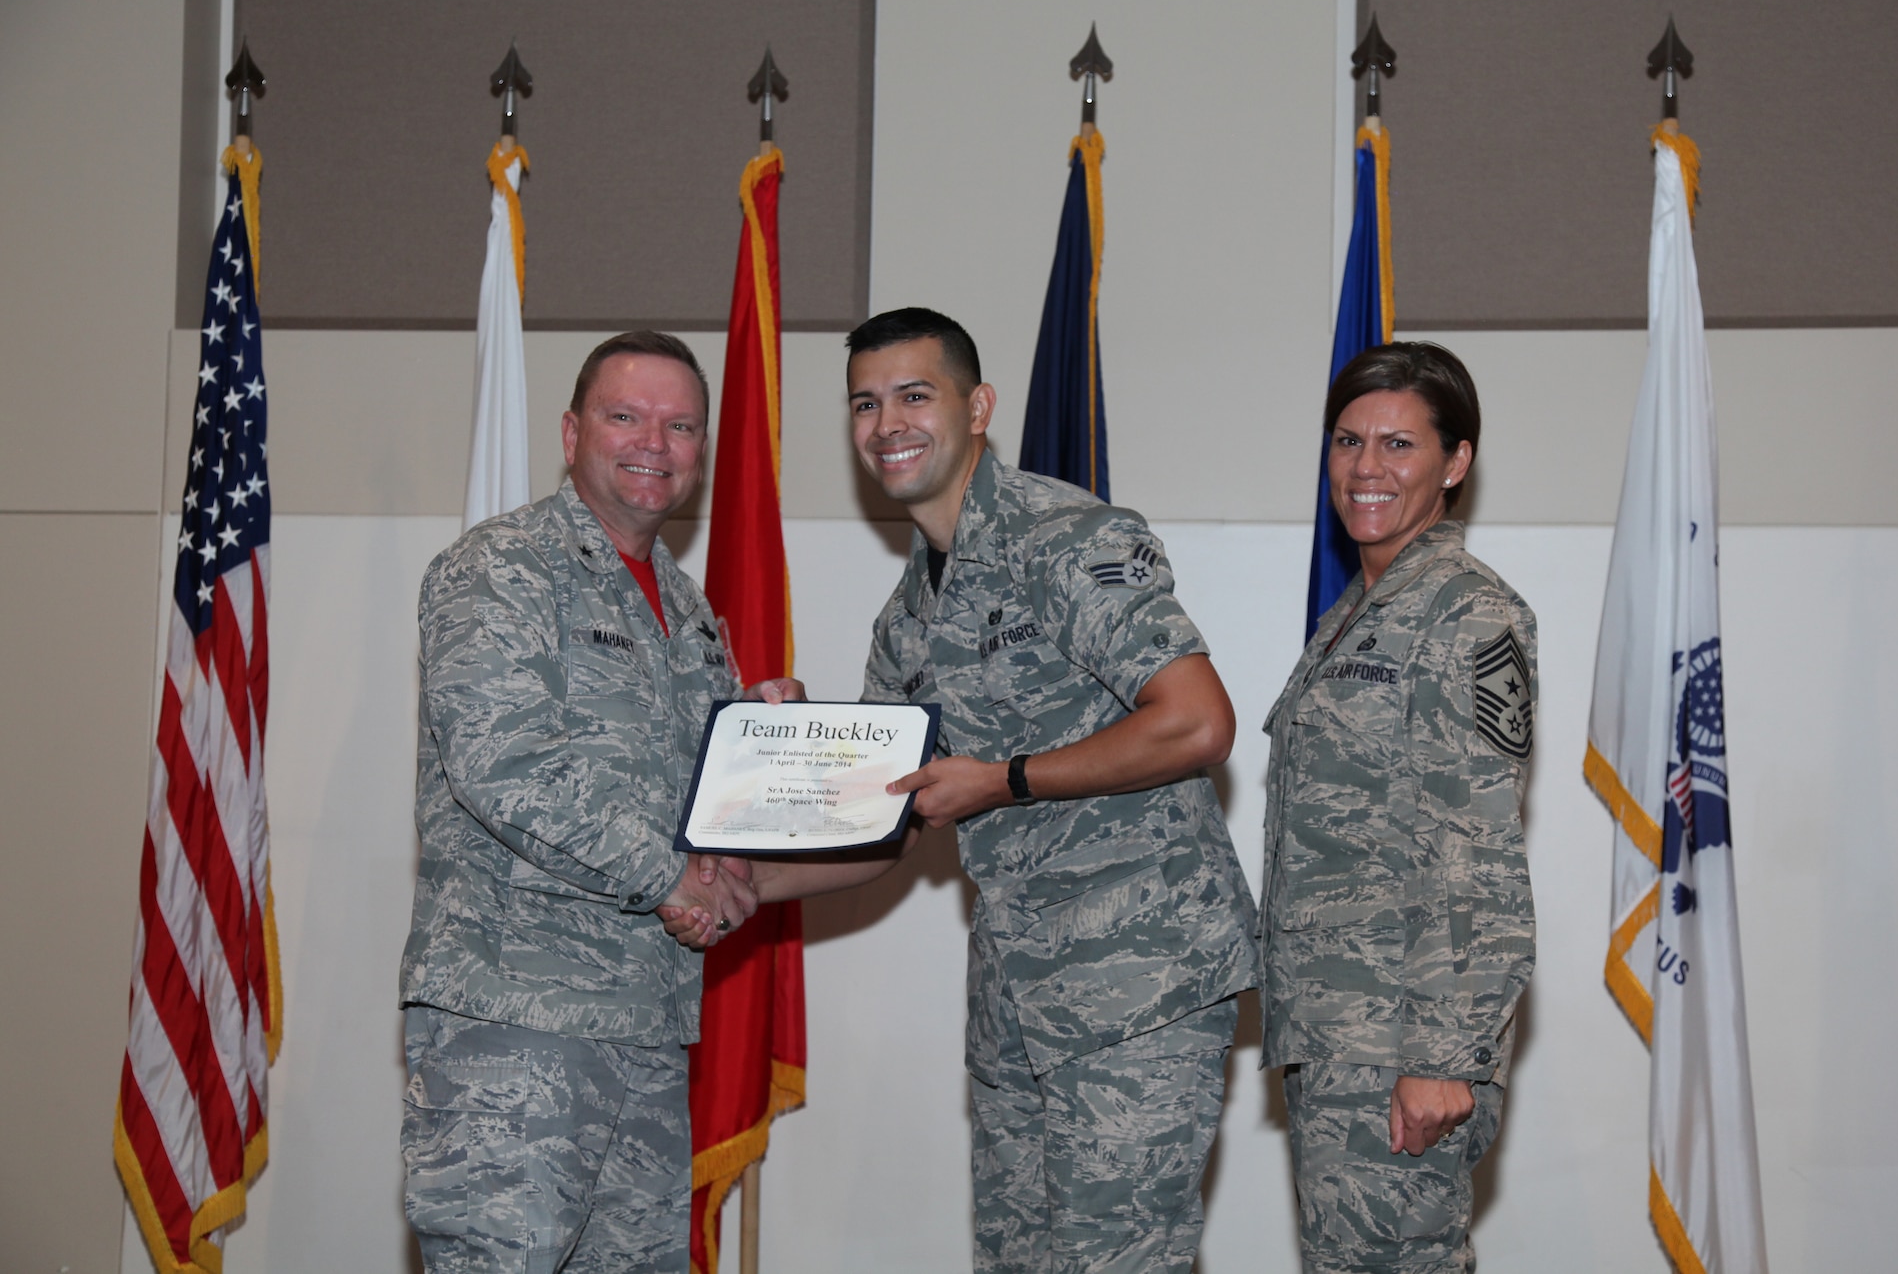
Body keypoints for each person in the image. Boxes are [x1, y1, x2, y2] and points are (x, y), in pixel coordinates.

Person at [399, 330, 910, 1272]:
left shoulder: (684, 610)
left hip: (647, 1028)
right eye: (625, 416)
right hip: (521, 1023)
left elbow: (685, 800)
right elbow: (503, 765)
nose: (654, 443)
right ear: (570, 431)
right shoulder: (503, 570)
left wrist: (764, 744)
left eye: (681, 426)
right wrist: (674, 873)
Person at [846, 307, 1259, 1273]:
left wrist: (1003, 781)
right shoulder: (909, 615)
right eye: (865, 404)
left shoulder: (1066, 538)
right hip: (1015, 999)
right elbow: (875, 814)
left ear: (978, 406)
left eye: (915, 394)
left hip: (1134, 981)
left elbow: (1197, 721)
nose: (887, 423)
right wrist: (725, 866)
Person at [1261, 341, 1537, 1272]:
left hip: (1400, 1042)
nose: (1365, 468)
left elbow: (1475, 842)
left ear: (1455, 462)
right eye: (1346, 442)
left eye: (1398, 445)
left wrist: (1444, 1054)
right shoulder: (1358, 612)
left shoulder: (1464, 613)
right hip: (1341, 1032)